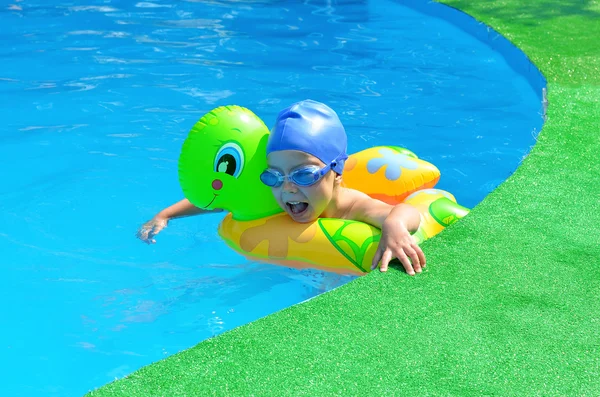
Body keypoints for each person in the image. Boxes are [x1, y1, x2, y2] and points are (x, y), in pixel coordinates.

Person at [138, 100, 426, 275]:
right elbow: (222, 200)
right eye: (274, 177)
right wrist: (166, 215)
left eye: (303, 175)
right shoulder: (283, 197)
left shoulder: (351, 205)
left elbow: (404, 213)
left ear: (336, 171)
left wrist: (395, 228)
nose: (287, 188)